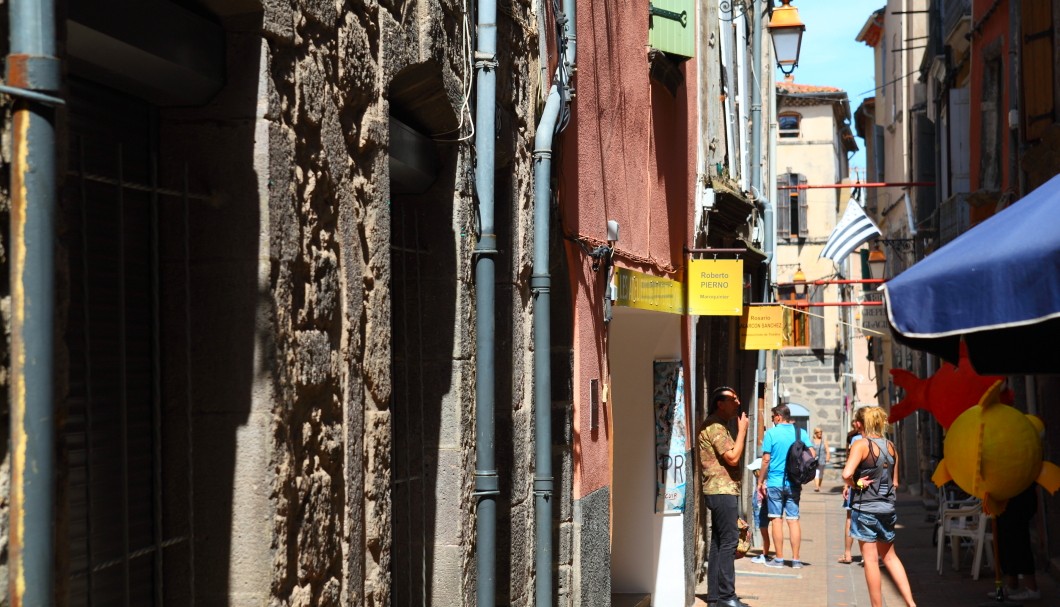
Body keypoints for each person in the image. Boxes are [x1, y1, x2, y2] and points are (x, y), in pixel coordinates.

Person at [842, 406, 916, 607]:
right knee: (890, 557)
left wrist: (856, 484)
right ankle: (910, 603)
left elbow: (847, 474)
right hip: (887, 509)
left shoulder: (861, 445)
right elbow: (895, 483)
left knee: (871, 560)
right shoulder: (891, 446)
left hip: (865, 508)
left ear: (863, 423)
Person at [698, 386, 750, 607]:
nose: (738, 402)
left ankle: (715, 597)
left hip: (721, 490)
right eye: (733, 399)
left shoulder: (719, 425)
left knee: (719, 543)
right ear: (720, 403)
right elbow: (732, 458)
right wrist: (743, 431)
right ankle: (727, 596)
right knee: (729, 542)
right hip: (722, 490)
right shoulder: (716, 427)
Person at [756, 404, 814, 569]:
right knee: (793, 520)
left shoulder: (771, 434)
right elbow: (812, 455)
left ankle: (779, 559)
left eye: (773, 417)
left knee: (776, 519)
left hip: (775, 482)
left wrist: (760, 481)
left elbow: (766, 460)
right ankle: (796, 560)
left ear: (779, 417)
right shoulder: (800, 433)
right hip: (794, 483)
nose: (773, 420)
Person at [992, 483, 1042, 600]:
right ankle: (1012, 584)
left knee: (1019, 540)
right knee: (1006, 541)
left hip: (1018, 494)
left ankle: (1032, 588)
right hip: (1005, 496)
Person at [839, 409, 865, 565]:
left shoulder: (855, 439)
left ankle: (848, 554)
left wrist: (848, 485)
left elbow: (849, 466)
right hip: (871, 485)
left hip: (856, 483)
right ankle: (865, 555)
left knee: (850, 518)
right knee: (868, 519)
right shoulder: (881, 440)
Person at [746, 457, 772, 564]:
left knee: (764, 534)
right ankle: (764, 553)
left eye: (754, 471)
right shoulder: (763, 483)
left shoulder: (764, 484)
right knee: (764, 534)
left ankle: (765, 555)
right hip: (761, 512)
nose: (753, 473)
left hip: (763, 512)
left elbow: (765, 497)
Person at [812, 427, 829, 492]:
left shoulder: (824, 441)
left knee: (820, 473)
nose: (820, 434)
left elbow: (827, 449)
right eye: (818, 432)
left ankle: (818, 486)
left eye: (821, 432)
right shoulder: (812, 441)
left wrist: (828, 456)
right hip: (814, 459)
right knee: (816, 472)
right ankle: (816, 486)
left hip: (822, 458)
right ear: (815, 433)